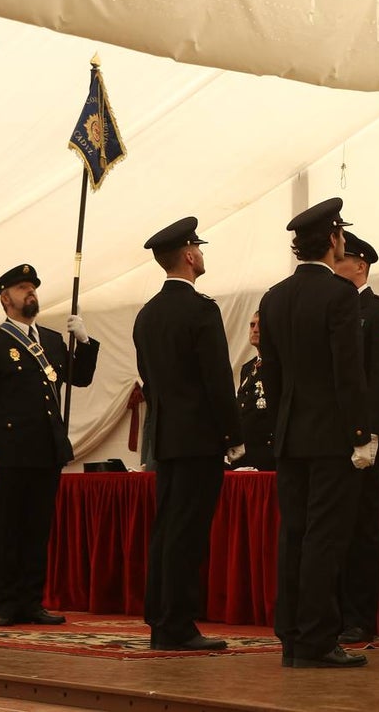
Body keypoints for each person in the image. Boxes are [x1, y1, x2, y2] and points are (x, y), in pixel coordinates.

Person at [258, 197, 375, 669]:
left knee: (294, 536)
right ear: (333, 239)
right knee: (325, 538)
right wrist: (361, 433)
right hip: (330, 437)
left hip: (291, 435)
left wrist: (282, 425)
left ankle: (291, 637)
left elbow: (271, 374)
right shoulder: (340, 295)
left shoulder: (274, 296)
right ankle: (318, 639)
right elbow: (348, 372)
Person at [0, 264, 99, 628]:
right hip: (7, 454)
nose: (31, 293)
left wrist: (84, 342)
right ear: (5, 298)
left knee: (37, 531)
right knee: (7, 530)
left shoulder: (52, 341)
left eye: (33, 287)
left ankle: (31, 602)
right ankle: (4, 604)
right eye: (23, 288)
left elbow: (80, 378)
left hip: (46, 451)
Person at [133, 217, 244, 652]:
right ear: (190, 255)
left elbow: (148, 379)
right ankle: (177, 625)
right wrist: (232, 434)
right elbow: (216, 379)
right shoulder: (201, 310)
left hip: (166, 438)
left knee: (167, 530)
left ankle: (161, 619)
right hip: (199, 439)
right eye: (198, 247)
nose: (201, 253)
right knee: (189, 533)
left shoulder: (147, 314)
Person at [333, 231, 379, 645]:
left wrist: (372, 434)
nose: (335, 264)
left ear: (360, 266)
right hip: (330, 435)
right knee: (332, 527)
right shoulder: (332, 307)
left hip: (363, 438)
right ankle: (331, 611)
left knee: (361, 528)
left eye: (341, 259)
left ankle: (358, 616)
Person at [235, 311, 277, 471]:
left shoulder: (279, 366)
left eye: (261, 326)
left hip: (268, 455)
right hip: (246, 454)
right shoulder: (247, 368)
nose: (255, 330)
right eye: (252, 325)